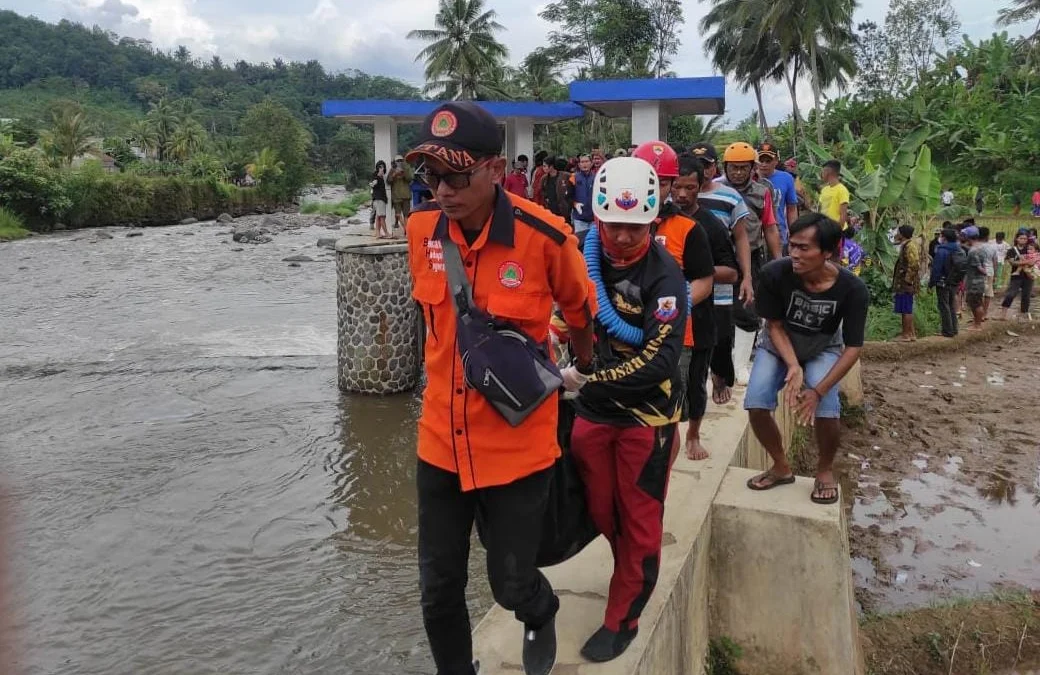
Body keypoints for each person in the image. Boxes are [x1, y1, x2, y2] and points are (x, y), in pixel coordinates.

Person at [405, 101, 597, 675]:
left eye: (457, 175)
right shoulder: (420, 232)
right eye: (432, 176)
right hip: (440, 438)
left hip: (516, 446)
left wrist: (579, 364)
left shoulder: (545, 237)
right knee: (437, 586)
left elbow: (580, 310)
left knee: (510, 580)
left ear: (494, 169)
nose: (443, 190)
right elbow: (430, 322)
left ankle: (540, 610)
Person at [558, 156, 687, 663]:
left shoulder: (666, 276)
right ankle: (625, 570)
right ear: (599, 218)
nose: (624, 237)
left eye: (635, 227)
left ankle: (624, 617)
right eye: (614, 225)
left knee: (638, 518)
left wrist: (588, 380)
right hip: (593, 413)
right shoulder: (583, 255)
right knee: (599, 508)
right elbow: (565, 307)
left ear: (652, 220)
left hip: (646, 417)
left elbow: (662, 358)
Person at [744, 213, 869, 505]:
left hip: (823, 347)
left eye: (804, 248)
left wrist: (817, 390)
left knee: (826, 407)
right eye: (793, 246)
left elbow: (853, 347)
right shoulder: (775, 273)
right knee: (756, 400)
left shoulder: (852, 289)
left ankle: (824, 470)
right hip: (779, 345)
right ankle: (780, 466)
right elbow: (773, 325)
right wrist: (792, 365)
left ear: (827, 253)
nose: (795, 254)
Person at [631, 141, 715, 461]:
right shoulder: (610, 226)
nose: (655, 187)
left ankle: (662, 474)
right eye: (647, 178)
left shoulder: (688, 229)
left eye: (662, 181)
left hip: (671, 337)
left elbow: (704, 280)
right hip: (622, 334)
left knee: (666, 413)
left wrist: (673, 310)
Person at [672, 153, 739, 461]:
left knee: (696, 381)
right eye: (677, 187)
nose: (682, 194)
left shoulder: (709, 225)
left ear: (701, 187)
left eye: (690, 187)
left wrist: (699, 272)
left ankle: (693, 435)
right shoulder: (660, 219)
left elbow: (731, 271)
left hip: (699, 317)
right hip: (664, 318)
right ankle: (667, 434)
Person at [691, 141, 754, 406]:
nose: (702, 170)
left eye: (706, 165)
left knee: (721, 333)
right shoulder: (677, 196)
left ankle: (720, 375)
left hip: (722, 277)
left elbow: (741, 238)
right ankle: (696, 382)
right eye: (697, 165)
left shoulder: (730, 196)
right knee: (692, 330)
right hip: (689, 278)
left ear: (714, 166)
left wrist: (747, 276)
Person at [756, 142, 799, 249]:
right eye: (761, 160)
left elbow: (791, 209)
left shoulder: (786, 178)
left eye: (768, 161)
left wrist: (794, 234)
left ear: (776, 161)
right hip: (755, 235)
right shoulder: (750, 179)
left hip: (779, 233)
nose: (764, 164)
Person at [928, 227, 962, 338]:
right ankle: (954, 329)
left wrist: (931, 283)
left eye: (941, 236)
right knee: (951, 305)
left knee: (944, 305)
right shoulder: (959, 249)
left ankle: (947, 331)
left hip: (942, 282)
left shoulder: (942, 250)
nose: (940, 238)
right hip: (954, 281)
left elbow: (936, 269)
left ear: (944, 238)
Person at [892, 225, 920, 341]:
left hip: (905, 283)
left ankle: (906, 335)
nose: (896, 234)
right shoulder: (906, 245)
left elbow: (914, 264)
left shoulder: (909, 246)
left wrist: (908, 280)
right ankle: (911, 333)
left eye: (898, 232)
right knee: (906, 308)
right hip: (904, 282)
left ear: (902, 234)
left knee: (906, 308)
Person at [1001, 230, 1036, 320]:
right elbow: (1012, 262)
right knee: (1010, 294)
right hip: (1016, 276)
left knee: (1026, 296)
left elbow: (1035, 258)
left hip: (1028, 275)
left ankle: (1023, 315)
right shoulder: (1012, 250)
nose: (1023, 240)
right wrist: (1027, 261)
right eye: (1021, 238)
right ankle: (1003, 314)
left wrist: (1024, 262)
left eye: (1025, 238)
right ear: (1017, 239)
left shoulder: (1029, 248)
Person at [962, 226, 987, 330]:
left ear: (968, 237)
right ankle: (977, 323)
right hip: (980, 281)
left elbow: (979, 267)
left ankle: (977, 325)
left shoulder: (973, 251)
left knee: (975, 303)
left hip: (974, 282)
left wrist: (983, 271)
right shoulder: (982, 248)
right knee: (978, 302)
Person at [568, 154, 596, 242]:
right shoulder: (573, 177)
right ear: (579, 164)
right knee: (580, 243)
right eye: (582, 162)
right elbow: (567, 196)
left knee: (593, 243)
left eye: (587, 161)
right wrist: (575, 204)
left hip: (594, 219)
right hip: (579, 219)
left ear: (591, 163)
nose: (584, 164)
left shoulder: (597, 177)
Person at [819, 160, 850, 229]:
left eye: (823, 171)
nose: (821, 174)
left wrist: (838, 231)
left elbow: (843, 214)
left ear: (828, 172)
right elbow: (821, 209)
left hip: (836, 230)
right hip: (824, 228)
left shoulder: (842, 190)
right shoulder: (824, 189)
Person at [388, 154, 414, 234]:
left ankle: (407, 231)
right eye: (398, 161)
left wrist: (404, 171)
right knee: (398, 214)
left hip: (406, 195)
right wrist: (394, 174)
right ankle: (406, 229)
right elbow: (388, 181)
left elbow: (410, 178)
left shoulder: (407, 168)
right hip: (396, 196)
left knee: (406, 215)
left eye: (401, 161)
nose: (399, 162)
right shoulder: (392, 169)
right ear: (395, 162)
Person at [541, 157, 571, 221]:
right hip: (550, 210)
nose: (543, 168)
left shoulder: (565, 176)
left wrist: (569, 203)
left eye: (545, 166)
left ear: (551, 166)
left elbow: (572, 188)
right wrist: (546, 198)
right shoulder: (544, 179)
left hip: (563, 210)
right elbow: (542, 190)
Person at [978, 226, 999, 316]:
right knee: (988, 293)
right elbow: (995, 262)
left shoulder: (976, 247)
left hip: (978, 273)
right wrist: (995, 275)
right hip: (990, 272)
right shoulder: (993, 248)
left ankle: (979, 314)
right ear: (987, 236)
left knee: (979, 294)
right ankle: (984, 313)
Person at [370, 160, 391, 239]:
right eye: (380, 167)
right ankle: (386, 233)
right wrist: (378, 175)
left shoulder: (381, 177)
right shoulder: (376, 177)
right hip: (379, 199)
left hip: (378, 199)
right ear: (377, 168)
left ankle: (378, 233)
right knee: (382, 217)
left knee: (378, 217)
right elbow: (373, 184)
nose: (382, 168)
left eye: (383, 167)